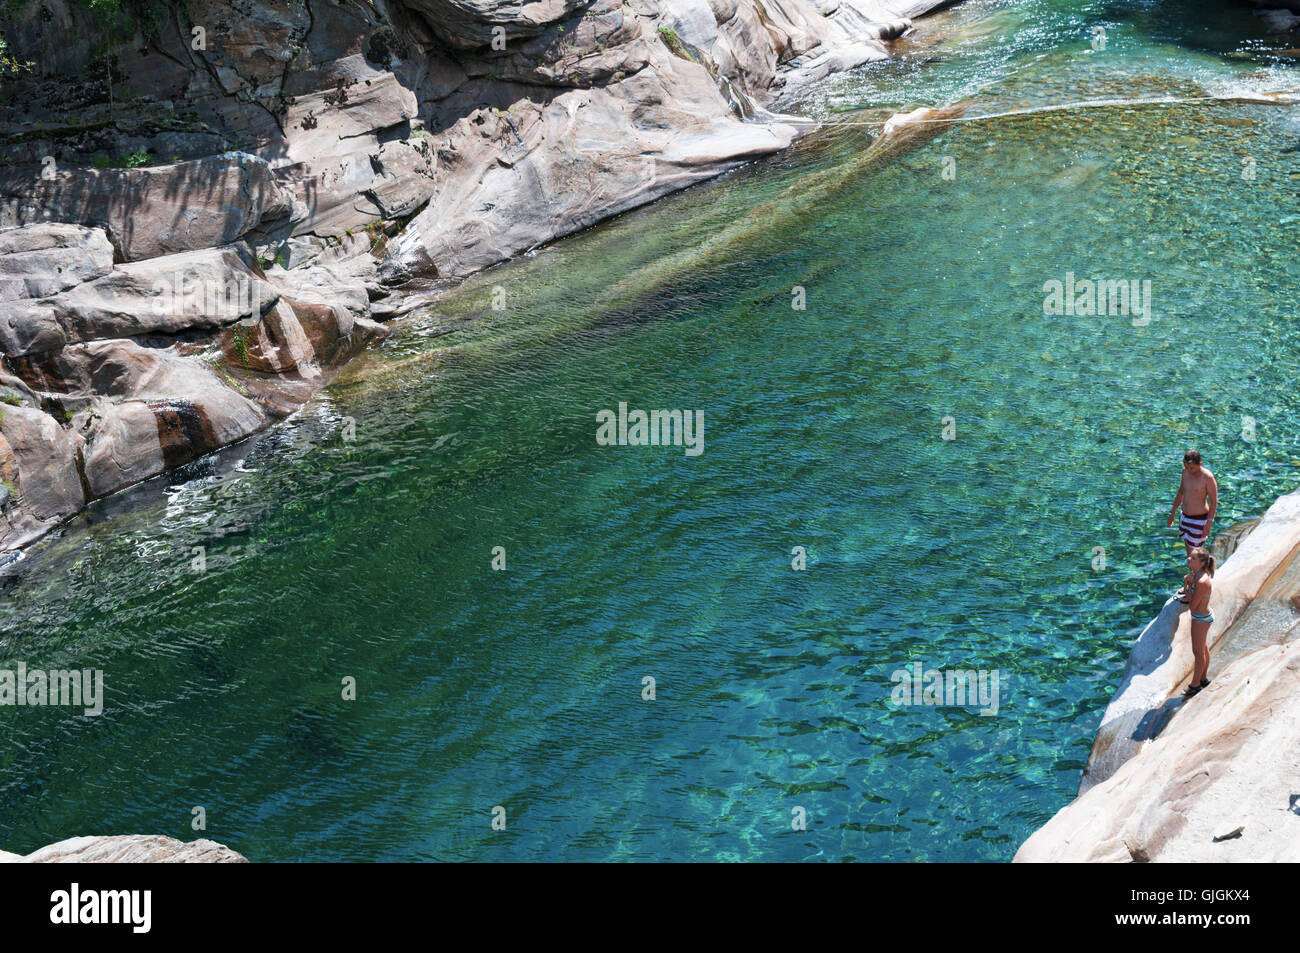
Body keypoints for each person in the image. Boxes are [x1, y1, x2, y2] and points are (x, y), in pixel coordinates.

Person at [1175, 547, 1215, 697]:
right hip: (1202, 616)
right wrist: (1187, 582)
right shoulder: (1197, 575)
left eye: (1193, 558)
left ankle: (1195, 685)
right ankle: (1203, 678)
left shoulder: (1202, 581)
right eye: (1190, 557)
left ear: (1202, 562)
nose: (1188, 559)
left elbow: (1192, 605)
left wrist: (1189, 585)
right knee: (1203, 648)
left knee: (1198, 652)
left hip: (1201, 618)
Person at [1166, 450, 1217, 556]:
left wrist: (1209, 523)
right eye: (1187, 466)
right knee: (1190, 553)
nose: (1189, 470)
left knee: (1194, 555)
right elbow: (1181, 492)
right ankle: (1195, 572)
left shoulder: (1207, 477)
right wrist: (1172, 513)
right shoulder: (1185, 471)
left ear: (1200, 464)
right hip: (1184, 518)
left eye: (1192, 467)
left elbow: (1214, 502)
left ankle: (1200, 571)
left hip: (1199, 520)